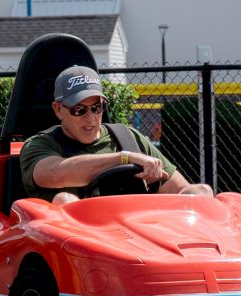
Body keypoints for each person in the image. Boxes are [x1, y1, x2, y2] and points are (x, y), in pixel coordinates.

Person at [20, 65, 213, 202]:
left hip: (136, 238)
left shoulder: (128, 138)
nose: (91, 118)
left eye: (96, 108)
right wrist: (124, 159)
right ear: (58, 109)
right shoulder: (40, 146)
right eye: (79, 110)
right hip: (80, 248)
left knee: (201, 191)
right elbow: (55, 175)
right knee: (65, 200)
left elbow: (180, 190)